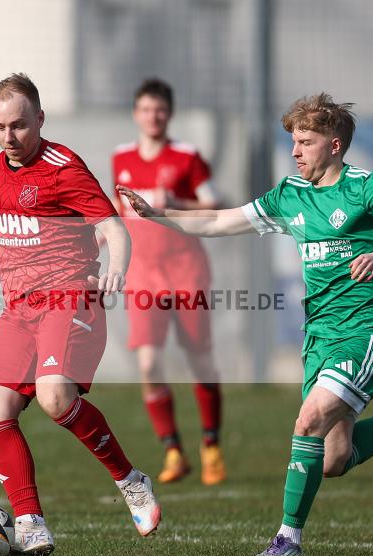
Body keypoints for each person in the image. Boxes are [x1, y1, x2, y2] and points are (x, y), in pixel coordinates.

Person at [117, 92, 373, 556]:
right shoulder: (289, 195)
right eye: (293, 142)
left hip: (365, 329)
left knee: (308, 420)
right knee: (334, 459)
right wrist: (160, 215)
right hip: (319, 336)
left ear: (334, 145)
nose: (295, 151)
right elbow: (220, 221)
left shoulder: (369, 186)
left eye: (305, 142)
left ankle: (287, 540)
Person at [0, 73, 160, 556]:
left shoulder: (64, 167)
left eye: (18, 125)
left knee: (56, 397)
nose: (8, 137)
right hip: (19, 309)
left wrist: (117, 268)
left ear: (40, 119)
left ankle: (131, 481)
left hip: (69, 299)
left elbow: (113, 227)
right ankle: (31, 524)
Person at [111, 79, 226, 486]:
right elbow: (119, 212)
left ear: (170, 113)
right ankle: (173, 450)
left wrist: (178, 204)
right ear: (135, 113)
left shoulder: (187, 157)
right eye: (146, 109)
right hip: (143, 274)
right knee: (148, 363)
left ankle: (210, 446)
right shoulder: (121, 159)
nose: (152, 116)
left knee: (200, 361)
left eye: (159, 109)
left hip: (186, 270)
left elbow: (214, 204)